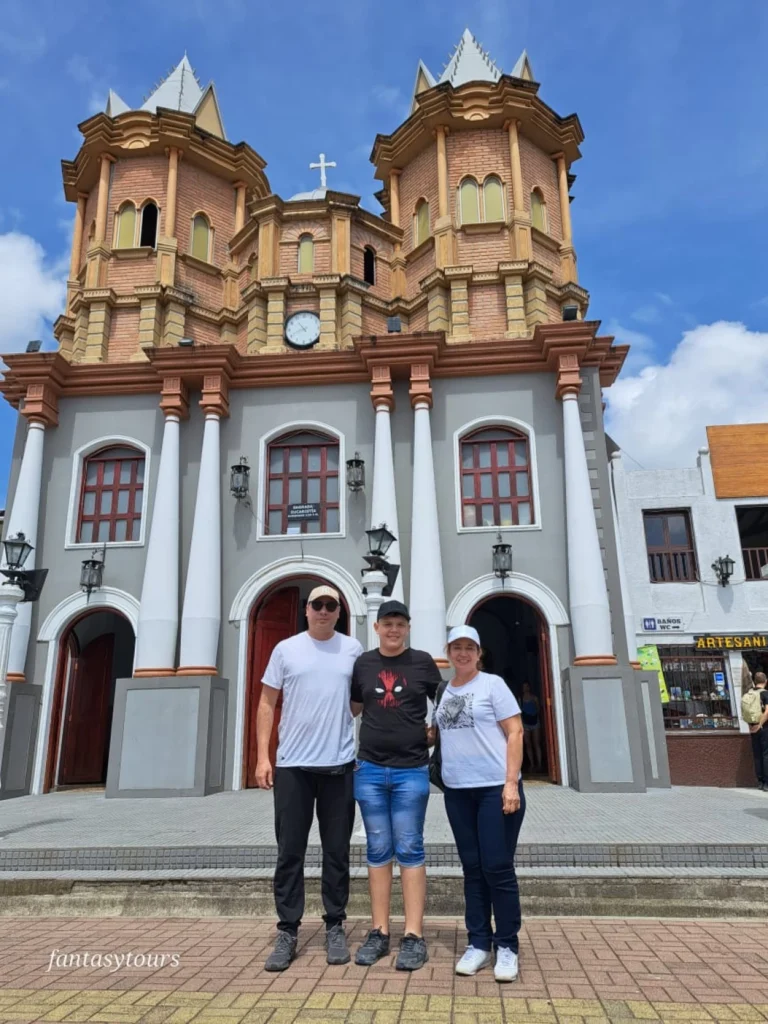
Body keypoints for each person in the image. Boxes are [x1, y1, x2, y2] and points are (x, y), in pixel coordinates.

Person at [256, 585, 363, 972]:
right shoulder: (286, 649)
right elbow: (267, 702)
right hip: (293, 768)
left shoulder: (352, 649)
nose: (323, 610)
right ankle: (287, 930)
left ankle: (335, 925)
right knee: (290, 853)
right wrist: (263, 757)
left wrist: (334, 719)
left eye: (331, 605)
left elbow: (358, 700)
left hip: (339, 767)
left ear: (339, 612)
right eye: (317, 604)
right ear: (306, 610)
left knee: (337, 852)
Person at [350, 599, 442, 972]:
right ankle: (379, 931)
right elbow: (352, 707)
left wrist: (437, 731)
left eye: (400, 624)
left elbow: (446, 701)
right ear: (376, 627)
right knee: (377, 849)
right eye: (387, 623)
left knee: (409, 847)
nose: (393, 629)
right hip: (370, 770)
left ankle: (414, 935)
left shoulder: (422, 662)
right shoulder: (363, 664)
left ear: (407, 628)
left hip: (411, 771)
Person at [432, 624, 525, 983]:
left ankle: (507, 945)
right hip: (457, 792)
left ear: (479, 653)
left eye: (469, 647)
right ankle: (478, 943)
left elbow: (515, 731)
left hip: (494, 789)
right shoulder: (443, 691)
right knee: (472, 869)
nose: (463, 653)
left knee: (497, 867)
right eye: (456, 647)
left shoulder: (492, 685)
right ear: (448, 652)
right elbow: (437, 734)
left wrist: (510, 783)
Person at [747, 671, 768, 790]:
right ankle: (766, 783)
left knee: (757, 755)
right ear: (766, 681)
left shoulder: (749, 694)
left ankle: (760, 781)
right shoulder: (765, 694)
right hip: (764, 728)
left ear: (755, 681)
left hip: (753, 728)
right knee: (766, 754)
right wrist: (760, 725)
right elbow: (767, 712)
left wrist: (752, 726)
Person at [520, 681, 543, 774]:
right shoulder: (521, 699)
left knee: (536, 743)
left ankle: (539, 764)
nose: (525, 688)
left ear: (529, 687)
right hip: (525, 723)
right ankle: (532, 764)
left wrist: (535, 716)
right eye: (524, 687)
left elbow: (538, 709)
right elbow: (519, 711)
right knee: (528, 744)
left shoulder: (534, 698)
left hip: (535, 722)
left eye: (527, 686)